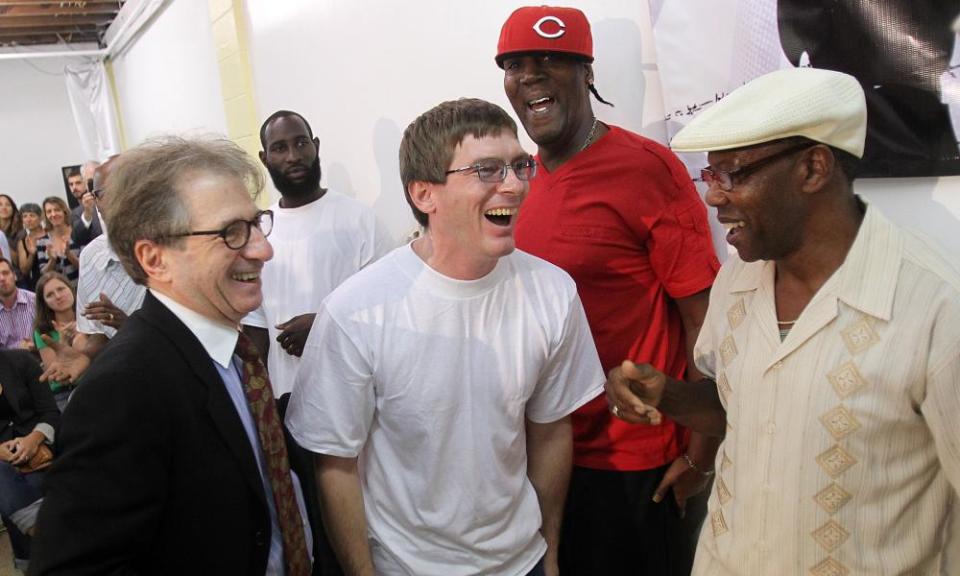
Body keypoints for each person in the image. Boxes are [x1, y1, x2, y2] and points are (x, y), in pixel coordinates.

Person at [606, 67, 960, 575]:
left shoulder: (936, 309)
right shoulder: (737, 282)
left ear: (813, 169)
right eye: (709, 176)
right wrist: (668, 394)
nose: (713, 197)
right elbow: (739, 408)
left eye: (731, 174)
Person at [286, 98, 604, 576]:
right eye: (487, 170)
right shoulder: (356, 313)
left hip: (524, 562)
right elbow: (336, 465)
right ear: (423, 194)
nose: (514, 185)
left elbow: (551, 427)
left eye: (520, 165)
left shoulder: (552, 292)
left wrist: (550, 552)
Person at [495, 6, 721, 574]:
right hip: (544, 455)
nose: (531, 76)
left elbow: (708, 323)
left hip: (634, 463)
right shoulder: (515, 179)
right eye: (516, 64)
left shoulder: (648, 169)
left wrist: (701, 456)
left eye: (551, 60)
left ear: (587, 73)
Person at [31, 137, 313, 576]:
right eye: (231, 232)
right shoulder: (122, 391)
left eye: (257, 224)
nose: (262, 249)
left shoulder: (232, 352)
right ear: (154, 259)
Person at [243, 110, 390, 397]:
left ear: (316, 146)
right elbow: (255, 327)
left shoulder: (359, 219)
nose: (293, 156)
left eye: (301, 143)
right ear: (264, 159)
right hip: (286, 400)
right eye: (279, 148)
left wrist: (324, 327)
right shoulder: (259, 230)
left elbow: (389, 310)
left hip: (353, 396)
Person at [39, 155, 147, 386]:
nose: (115, 199)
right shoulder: (91, 256)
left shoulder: (178, 246)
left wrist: (128, 326)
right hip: (126, 382)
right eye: (103, 193)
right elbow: (99, 334)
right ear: (95, 200)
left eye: (124, 187)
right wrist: (84, 356)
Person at [0, 348, 59, 573]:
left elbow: (50, 412)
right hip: (3, 462)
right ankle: (50, 541)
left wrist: (34, 439)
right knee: (3, 476)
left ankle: (34, 564)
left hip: (40, 447)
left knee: (28, 485)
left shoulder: (20, 360)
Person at [31, 272, 85, 410]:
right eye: (50, 295)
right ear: (45, 303)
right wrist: (63, 341)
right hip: (64, 392)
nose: (58, 296)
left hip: (94, 380)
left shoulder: (89, 315)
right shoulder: (42, 330)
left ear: (70, 288)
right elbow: (56, 375)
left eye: (61, 289)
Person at [36, 197, 79, 283]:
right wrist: (52, 260)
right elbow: (44, 273)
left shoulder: (78, 233)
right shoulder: (42, 242)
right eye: (49, 212)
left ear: (64, 211)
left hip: (81, 288)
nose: (53, 214)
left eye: (57, 210)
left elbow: (86, 266)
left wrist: (69, 254)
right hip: (59, 291)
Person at [0, 257, 35, 349]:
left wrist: (36, 343)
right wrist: (18, 348)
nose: (2, 278)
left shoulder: (34, 301)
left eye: (5, 273)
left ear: (14, 276)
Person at [69, 160, 103, 249]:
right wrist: (87, 215)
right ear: (85, 182)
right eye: (91, 181)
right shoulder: (79, 212)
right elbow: (77, 239)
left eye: (99, 178)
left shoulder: (119, 201)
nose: (97, 183)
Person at [16, 203, 44, 292]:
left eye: (32, 215)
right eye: (25, 216)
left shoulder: (50, 234)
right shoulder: (23, 241)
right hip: (36, 283)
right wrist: (32, 254)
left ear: (40, 217)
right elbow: (24, 271)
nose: (28, 219)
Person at [0, 194, 24, 268]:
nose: (4, 208)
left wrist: (2, 241)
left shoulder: (21, 232)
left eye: (8, 205)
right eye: (0, 205)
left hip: (14, 275)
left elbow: (19, 263)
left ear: (13, 208)